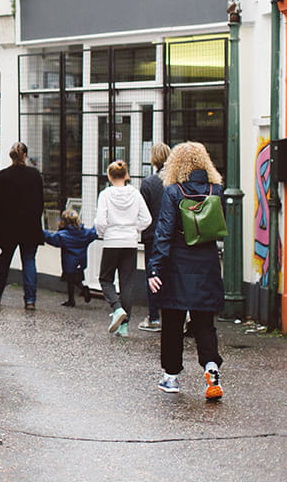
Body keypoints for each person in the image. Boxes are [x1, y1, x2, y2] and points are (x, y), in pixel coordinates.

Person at [147, 141, 225, 400]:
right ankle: (211, 367)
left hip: (176, 265)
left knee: (172, 322)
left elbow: (164, 232)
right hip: (207, 265)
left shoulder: (173, 191)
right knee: (204, 322)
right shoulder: (216, 190)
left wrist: (155, 269)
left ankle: (171, 377)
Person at [94, 160, 152, 337]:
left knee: (105, 279)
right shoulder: (135, 194)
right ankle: (124, 327)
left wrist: (103, 233)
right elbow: (147, 219)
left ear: (109, 176)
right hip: (130, 242)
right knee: (127, 283)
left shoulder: (105, 195)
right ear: (126, 175)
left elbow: (100, 221)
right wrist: (134, 229)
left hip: (112, 241)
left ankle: (117, 308)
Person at [0, 142, 45, 310]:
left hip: (7, 228)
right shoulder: (34, 175)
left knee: (3, 262)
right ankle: (30, 300)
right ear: (25, 155)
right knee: (29, 261)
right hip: (29, 226)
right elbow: (40, 202)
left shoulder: (3, 175)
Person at [138, 142, 171, 332]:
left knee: (152, 274)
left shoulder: (148, 183)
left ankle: (154, 317)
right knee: (171, 275)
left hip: (152, 235)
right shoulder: (175, 182)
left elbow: (143, 212)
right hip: (172, 236)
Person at [42, 209, 97, 307]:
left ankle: (75, 297)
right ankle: (77, 295)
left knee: (71, 281)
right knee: (76, 280)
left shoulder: (63, 235)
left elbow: (51, 238)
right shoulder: (85, 233)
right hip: (80, 262)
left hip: (69, 263)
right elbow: (94, 233)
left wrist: (41, 231)